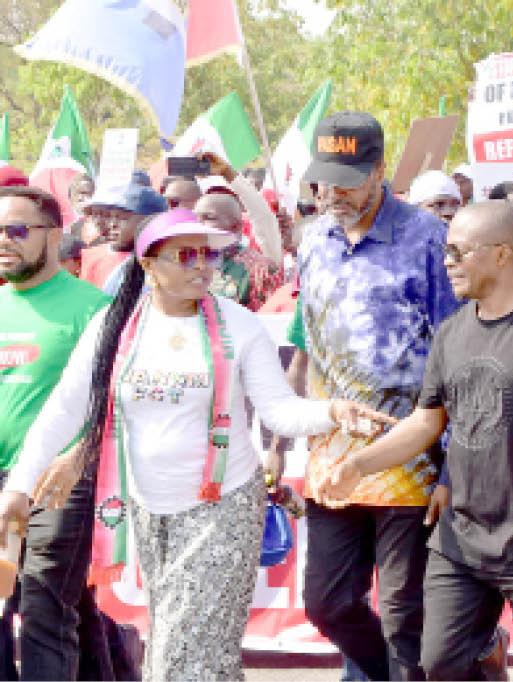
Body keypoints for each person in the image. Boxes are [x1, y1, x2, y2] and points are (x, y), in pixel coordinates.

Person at [0, 208, 373, 681]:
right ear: (150, 266)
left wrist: (333, 412)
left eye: (209, 255)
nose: (202, 265)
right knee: (197, 655)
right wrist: (19, 486)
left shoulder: (239, 325)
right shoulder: (115, 329)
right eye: (186, 255)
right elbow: (64, 412)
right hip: (151, 515)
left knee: (180, 655)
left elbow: (279, 410)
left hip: (225, 509)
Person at [331, 200, 513, 681]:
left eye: (457, 252)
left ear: (501, 254)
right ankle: (488, 656)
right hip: (461, 538)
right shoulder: (451, 332)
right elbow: (426, 422)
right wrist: (360, 465)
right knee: (441, 663)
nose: (446, 262)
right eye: (445, 251)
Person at [288, 111, 459, 681]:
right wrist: (295, 432)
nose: (332, 192)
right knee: (327, 604)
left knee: (403, 614)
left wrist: (454, 466)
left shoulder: (430, 240)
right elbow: (306, 345)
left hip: (414, 458)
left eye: (347, 178)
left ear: (381, 170)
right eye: (323, 179)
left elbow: (457, 354)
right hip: (332, 459)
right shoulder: (312, 244)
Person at [0, 185, 114, 680]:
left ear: (53, 235)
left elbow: (109, 403)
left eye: (17, 231)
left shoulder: (93, 308)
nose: (4, 241)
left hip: (61, 479)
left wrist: (76, 461)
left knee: (45, 608)